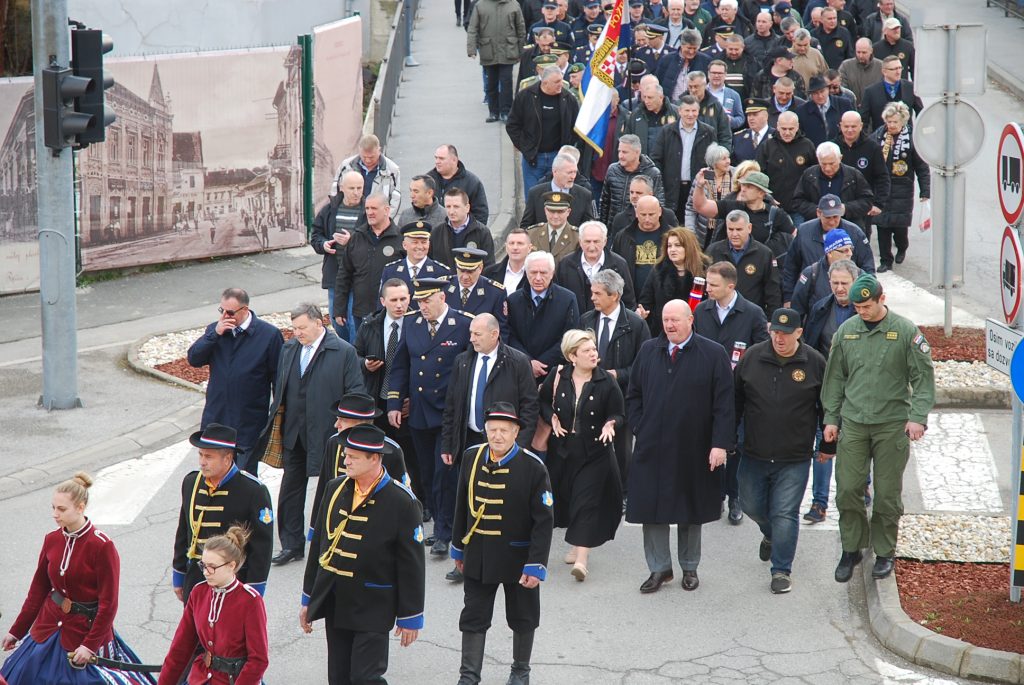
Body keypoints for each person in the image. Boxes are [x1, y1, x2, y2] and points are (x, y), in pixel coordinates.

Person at [822, 273, 935, 582]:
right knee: (847, 490)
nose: (862, 312)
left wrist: (918, 416)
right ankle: (852, 548)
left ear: (881, 299)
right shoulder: (846, 333)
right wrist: (831, 418)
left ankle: (885, 551)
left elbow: (923, 379)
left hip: (891, 425)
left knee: (886, 495)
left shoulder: (904, 331)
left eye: (867, 306)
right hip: (855, 424)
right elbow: (834, 379)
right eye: (857, 307)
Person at [1, 473, 155, 685]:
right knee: (23, 675)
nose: (55, 514)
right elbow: (37, 591)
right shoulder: (52, 539)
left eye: (61, 509)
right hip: (47, 628)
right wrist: (16, 631)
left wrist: (89, 645)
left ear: (80, 508)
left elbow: (108, 604)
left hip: (83, 634)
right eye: (53, 507)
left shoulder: (102, 546)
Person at [301, 425, 426, 685]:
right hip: (336, 599)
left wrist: (411, 615)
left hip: (374, 604)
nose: (345, 461)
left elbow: (412, 565)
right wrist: (308, 598)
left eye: (353, 457)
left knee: (365, 678)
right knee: (338, 677)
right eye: (346, 455)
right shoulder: (334, 489)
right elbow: (319, 548)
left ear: (375, 459)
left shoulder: (402, 501)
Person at [626, 300, 734, 593]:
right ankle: (659, 569)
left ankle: (689, 567)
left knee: (690, 508)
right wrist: (639, 425)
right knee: (652, 508)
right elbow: (633, 393)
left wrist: (719, 444)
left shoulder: (713, 353)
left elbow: (725, 405)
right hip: (653, 445)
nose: (670, 325)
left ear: (690, 320)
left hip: (694, 446)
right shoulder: (649, 350)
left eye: (675, 319)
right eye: (665, 320)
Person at [450, 403, 553, 685]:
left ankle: (521, 671)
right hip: (479, 556)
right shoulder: (472, 457)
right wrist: (459, 548)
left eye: (504, 431)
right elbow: (462, 503)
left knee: (523, 616)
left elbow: (544, 521)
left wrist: (536, 564)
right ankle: (468, 675)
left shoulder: (533, 466)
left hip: (518, 559)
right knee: (473, 616)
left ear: (516, 432)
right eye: (492, 430)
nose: (497, 436)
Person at [255, 303, 365, 567]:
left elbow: (356, 392)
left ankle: (332, 541)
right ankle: (292, 545)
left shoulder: (344, 352)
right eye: (294, 328)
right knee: (291, 490)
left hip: (328, 435)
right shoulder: (290, 348)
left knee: (333, 490)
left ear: (319, 323)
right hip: (294, 432)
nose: (297, 333)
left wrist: (346, 428)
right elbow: (281, 388)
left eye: (302, 327)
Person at [734, 308, 827, 594]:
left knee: (785, 512)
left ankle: (781, 570)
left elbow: (826, 408)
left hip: (794, 456)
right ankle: (770, 535)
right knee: (750, 505)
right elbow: (734, 402)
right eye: (775, 332)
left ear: (799, 333)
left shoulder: (814, 362)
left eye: (786, 334)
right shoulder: (752, 357)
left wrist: (828, 444)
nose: (779, 338)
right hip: (754, 452)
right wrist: (725, 440)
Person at [387, 279, 473, 560]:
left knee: (444, 472)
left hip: (448, 412)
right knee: (425, 471)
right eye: (419, 302)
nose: (421, 307)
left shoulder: (461, 324)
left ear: (442, 297)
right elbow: (400, 366)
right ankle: (438, 522)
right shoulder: (412, 324)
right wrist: (394, 402)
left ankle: (445, 531)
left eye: (427, 301)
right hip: (421, 412)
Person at [441, 314, 541, 541]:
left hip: (504, 445)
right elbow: (452, 406)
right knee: (470, 499)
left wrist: (520, 445)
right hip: (469, 441)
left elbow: (529, 406)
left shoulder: (517, 362)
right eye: (471, 334)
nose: (472, 339)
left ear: (494, 334)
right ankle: (466, 553)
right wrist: (448, 444)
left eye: (477, 334)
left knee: (500, 500)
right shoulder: (463, 361)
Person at [539, 329, 623, 581]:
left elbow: (619, 412)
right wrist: (551, 417)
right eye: (587, 351)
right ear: (572, 356)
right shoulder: (558, 376)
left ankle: (582, 561)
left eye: (594, 350)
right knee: (571, 500)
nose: (593, 354)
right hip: (563, 453)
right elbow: (542, 401)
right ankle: (576, 545)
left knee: (586, 502)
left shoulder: (606, 381)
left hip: (595, 452)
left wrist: (610, 424)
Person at [693, 260, 769, 523]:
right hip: (705, 387)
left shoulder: (752, 312)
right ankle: (714, 495)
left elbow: (762, 350)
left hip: (739, 389)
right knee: (707, 440)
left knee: (735, 444)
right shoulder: (701, 311)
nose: (708, 289)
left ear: (731, 286)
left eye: (713, 285)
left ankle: (734, 495)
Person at [187, 288, 283, 476]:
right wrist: (214, 334)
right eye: (221, 310)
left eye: (229, 312)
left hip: (248, 422)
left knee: (243, 478)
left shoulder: (269, 335)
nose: (225, 316)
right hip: (217, 417)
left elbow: (278, 379)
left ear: (245, 309)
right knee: (213, 474)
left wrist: (277, 416)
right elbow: (194, 359)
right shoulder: (216, 330)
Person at [172, 424, 274, 601]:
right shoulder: (191, 483)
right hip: (196, 578)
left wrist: (254, 590)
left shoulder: (253, 490)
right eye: (201, 455)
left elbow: (261, 547)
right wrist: (179, 575)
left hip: (233, 580)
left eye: (209, 457)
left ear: (227, 459)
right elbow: (184, 531)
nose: (202, 461)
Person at [160, 526, 269, 685]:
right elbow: (180, 648)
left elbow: (258, 660)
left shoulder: (250, 601)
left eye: (212, 566)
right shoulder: (199, 592)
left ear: (231, 565)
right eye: (203, 565)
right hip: (202, 677)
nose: (205, 572)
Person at [801, 259, 860, 525]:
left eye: (844, 283)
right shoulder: (820, 308)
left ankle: (863, 489)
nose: (839, 288)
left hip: (858, 390)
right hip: (826, 389)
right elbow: (811, 346)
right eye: (834, 283)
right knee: (822, 444)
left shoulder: (865, 311)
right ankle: (819, 503)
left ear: (855, 283)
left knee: (858, 443)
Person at [581, 269, 651, 492]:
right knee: (590, 442)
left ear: (614, 296)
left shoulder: (635, 325)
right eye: (592, 293)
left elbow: (644, 366)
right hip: (590, 391)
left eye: (598, 294)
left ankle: (622, 491)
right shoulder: (586, 320)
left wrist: (618, 374)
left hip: (622, 396)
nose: (592, 298)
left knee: (621, 448)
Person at [309, 392, 411, 543]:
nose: (336, 425)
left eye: (342, 420)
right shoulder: (333, 442)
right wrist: (316, 531)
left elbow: (404, 499)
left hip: (375, 530)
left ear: (360, 424)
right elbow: (324, 489)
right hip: (338, 527)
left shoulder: (391, 450)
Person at [783, 194, 875, 302]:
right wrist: (788, 298)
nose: (832, 222)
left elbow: (868, 267)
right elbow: (791, 266)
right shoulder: (804, 232)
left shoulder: (855, 233)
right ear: (818, 213)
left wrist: (868, 296)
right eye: (828, 217)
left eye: (835, 217)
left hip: (848, 298)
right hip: (813, 297)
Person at [507, 66, 581, 198]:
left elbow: (576, 127)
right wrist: (524, 146)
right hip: (533, 159)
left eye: (561, 80)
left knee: (557, 198)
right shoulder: (525, 97)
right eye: (556, 82)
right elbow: (512, 125)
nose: (561, 84)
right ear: (545, 83)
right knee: (533, 198)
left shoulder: (568, 99)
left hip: (557, 158)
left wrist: (566, 147)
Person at [872, 101, 929, 273]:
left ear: (903, 122)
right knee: (882, 226)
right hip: (881, 188)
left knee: (899, 226)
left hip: (902, 188)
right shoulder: (878, 137)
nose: (891, 125)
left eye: (894, 122)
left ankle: (902, 246)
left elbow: (921, 167)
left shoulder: (911, 139)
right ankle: (885, 260)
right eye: (888, 122)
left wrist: (925, 190)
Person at [333, 192, 404, 332]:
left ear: (387, 210)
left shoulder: (400, 239)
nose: (370, 213)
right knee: (365, 352)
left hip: (392, 312)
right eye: (367, 209)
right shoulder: (357, 238)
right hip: (362, 311)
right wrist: (339, 309)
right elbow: (344, 274)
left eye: (374, 208)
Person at [507, 251, 581, 381]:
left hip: (556, 373)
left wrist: (543, 364)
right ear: (526, 273)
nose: (538, 278)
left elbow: (570, 336)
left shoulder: (567, 299)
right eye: (533, 272)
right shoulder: (513, 300)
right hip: (520, 371)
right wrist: (528, 361)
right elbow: (510, 335)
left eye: (543, 273)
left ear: (552, 274)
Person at [693, 170, 795, 263]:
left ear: (761, 193)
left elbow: (796, 237)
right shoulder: (732, 206)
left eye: (749, 187)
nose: (743, 189)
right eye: (743, 185)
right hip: (729, 263)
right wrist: (699, 185)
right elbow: (701, 206)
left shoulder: (776, 214)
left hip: (758, 266)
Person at [311, 171, 363, 340]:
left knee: (353, 319)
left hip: (358, 274)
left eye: (359, 188)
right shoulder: (329, 210)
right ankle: (345, 349)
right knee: (336, 319)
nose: (356, 192)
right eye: (352, 188)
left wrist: (352, 241)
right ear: (342, 188)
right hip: (335, 274)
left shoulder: (367, 210)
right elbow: (316, 235)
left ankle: (355, 356)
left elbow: (373, 239)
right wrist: (324, 245)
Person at [705, 209, 782, 316]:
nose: (734, 234)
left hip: (750, 316)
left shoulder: (764, 254)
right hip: (717, 314)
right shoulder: (714, 250)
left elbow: (773, 290)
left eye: (739, 229)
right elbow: (704, 282)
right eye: (730, 229)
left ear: (749, 228)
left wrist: (771, 319)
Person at [791, 141, 875, 237]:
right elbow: (797, 201)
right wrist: (817, 211)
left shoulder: (853, 175)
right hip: (816, 230)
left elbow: (867, 201)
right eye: (823, 164)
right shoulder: (809, 175)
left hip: (848, 229)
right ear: (818, 159)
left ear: (840, 158)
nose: (827, 168)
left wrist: (846, 209)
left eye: (832, 164)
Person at [651, 95, 716, 217]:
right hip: (671, 189)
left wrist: (707, 186)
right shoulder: (667, 131)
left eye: (694, 111)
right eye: (687, 110)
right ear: (679, 111)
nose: (690, 114)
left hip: (698, 189)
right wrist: (661, 183)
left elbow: (712, 163)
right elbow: (656, 159)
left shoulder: (708, 132)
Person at [556, 220, 637, 314]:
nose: (592, 247)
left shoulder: (619, 265)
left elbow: (628, 302)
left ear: (605, 241)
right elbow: (559, 298)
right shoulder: (566, 264)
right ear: (580, 242)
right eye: (587, 241)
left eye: (596, 241)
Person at [637, 227, 707, 336]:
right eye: (669, 246)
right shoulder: (658, 271)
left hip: (696, 333)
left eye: (677, 245)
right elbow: (646, 302)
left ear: (689, 247)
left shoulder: (705, 272)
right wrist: (643, 313)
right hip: (662, 333)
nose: (672, 249)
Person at [468, 0, 526, 122]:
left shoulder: (513, 4)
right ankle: (493, 112)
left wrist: (521, 50)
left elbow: (520, 28)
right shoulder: (481, 5)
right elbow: (473, 27)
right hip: (489, 50)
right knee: (491, 83)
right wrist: (471, 49)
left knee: (506, 82)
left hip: (508, 50)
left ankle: (506, 112)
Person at [755, 111, 816, 223]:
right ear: (777, 126)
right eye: (783, 129)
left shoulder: (807, 145)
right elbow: (759, 176)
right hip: (773, 207)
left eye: (791, 129)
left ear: (797, 127)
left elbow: (814, 175)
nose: (787, 132)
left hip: (799, 208)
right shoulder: (767, 146)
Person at [833, 110, 889, 233]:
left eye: (853, 126)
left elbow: (882, 177)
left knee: (860, 244)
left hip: (862, 206)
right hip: (836, 206)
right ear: (840, 126)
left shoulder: (872, 147)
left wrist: (879, 204)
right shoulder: (832, 146)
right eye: (846, 126)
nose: (849, 130)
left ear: (861, 126)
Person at [379, 221, 453, 308]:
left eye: (424, 242)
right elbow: (382, 305)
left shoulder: (441, 272)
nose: (420, 246)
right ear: (404, 245)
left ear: (429, 244)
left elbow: (446, 306)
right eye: (415, 242)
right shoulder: (390, 270)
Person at [789, 227, 857, 316]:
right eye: (844, 250)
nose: (850, 253)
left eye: (851, 249)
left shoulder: (860, 274)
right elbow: (797, 309)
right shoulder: (811, 274)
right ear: (829, 253)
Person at [599, 135, 665, 224]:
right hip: (614, 229)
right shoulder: (612, 170)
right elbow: (604, 203)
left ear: (637, 152)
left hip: (639, 228)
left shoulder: (652, 173)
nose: (620, 156)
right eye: (619, 151)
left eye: (625, 152)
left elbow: (659, 205)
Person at [332, 134, 401, 217]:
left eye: (372, 157)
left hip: (378, 218)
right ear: (359, 151)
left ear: (379, 150)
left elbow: (396, 198)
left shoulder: (392, 170)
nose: (368, 160)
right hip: (350, 214)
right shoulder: (346, 166)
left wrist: (386, 220)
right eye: (364, 157)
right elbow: (335, 190)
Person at [444, 248, 508, 336]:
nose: (465, 277)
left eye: (470, 271)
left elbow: (501, 330)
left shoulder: (495, 293)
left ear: (480, 268)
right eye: (461, 270)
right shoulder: (444, 286)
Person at [521, 155, 596, 228]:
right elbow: (525, 226)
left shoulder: (584, 195)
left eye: (575, 172)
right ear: (555, 172)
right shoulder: (535, 193)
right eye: (569, 172)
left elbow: (589, 227)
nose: (573, 176)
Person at [431, 188, 497, 271]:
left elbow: (489, 267)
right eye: (448, 206)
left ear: (467, 207)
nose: (451, 211)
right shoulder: (436, 233)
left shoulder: (482, 232)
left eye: (456, 207)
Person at [427, 145, 490, 225]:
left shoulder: (472, 182)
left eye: (441, 158)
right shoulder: (428, 180)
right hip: (434, 234)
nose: (437, 161)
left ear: (454, 160)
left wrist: (474, 234)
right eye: (436, 158)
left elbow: (480, 214)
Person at [858, 56, 922, 132]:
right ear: (884, 71)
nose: (898, 72)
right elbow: (863, 120)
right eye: (894, 69)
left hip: (906, 139)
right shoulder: (871, 92)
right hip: (880, 140)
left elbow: (921, 112)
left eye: (900, 68)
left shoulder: (910, 88)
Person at [796, 76, 853, 147]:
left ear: (828, 90)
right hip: (814, 153)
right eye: (815, 93)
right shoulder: (802, 111)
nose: (820, 96)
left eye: (822, 91)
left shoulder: (844, 104)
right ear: (811, 95)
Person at [526, 191, 581, 265]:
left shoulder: (577, 237)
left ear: (568, 212)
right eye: (551, 211)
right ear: (545, 210)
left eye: (560, 212)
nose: (555, 216)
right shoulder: (532, 234)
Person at [484, 228, 533, 293]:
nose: (515, 247)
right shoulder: (488, 273)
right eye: (511, 243)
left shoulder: (537, 274)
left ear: (529, 248)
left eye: (520, 243)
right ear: (506, 247)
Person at [839, 38, 883, 106]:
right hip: (852, 108)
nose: (861, 56)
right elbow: (842, 88)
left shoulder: (881, 66)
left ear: (871, 51)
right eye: (858, 52)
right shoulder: (845, 66)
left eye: (864, 52)